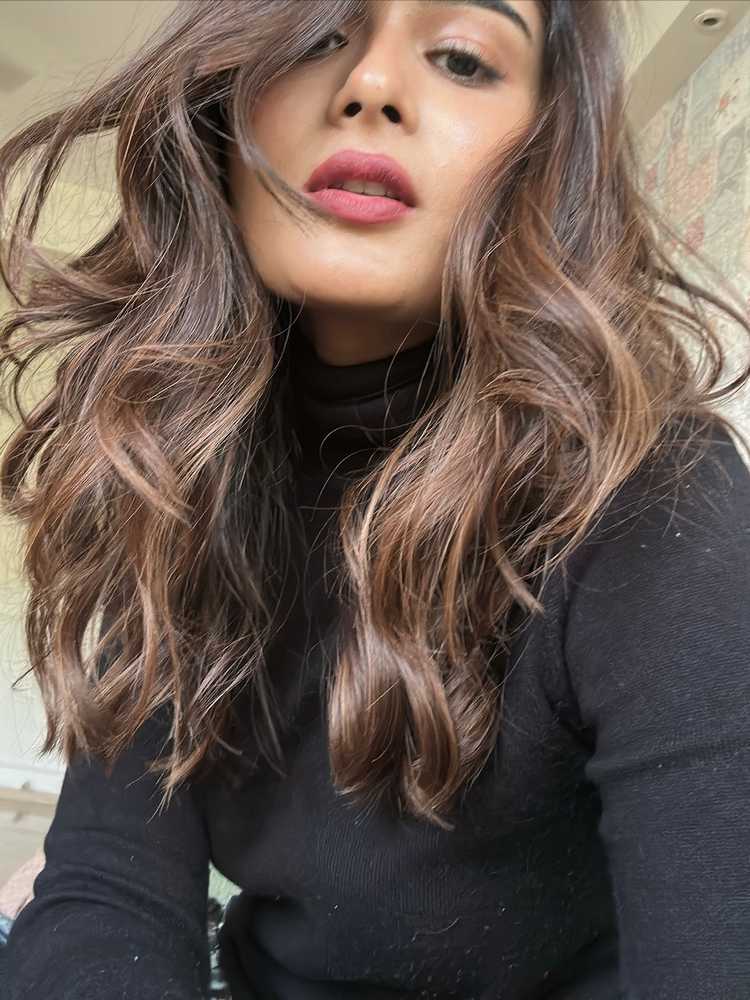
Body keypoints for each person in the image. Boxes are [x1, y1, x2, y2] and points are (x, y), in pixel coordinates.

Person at [0, 0, 748, 997]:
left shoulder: (657, 491)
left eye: (462, 58)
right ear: (227, 108)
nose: (372, 85)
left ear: (545, 154)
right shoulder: (175, 476)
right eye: (318, 37)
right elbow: (111, 888)